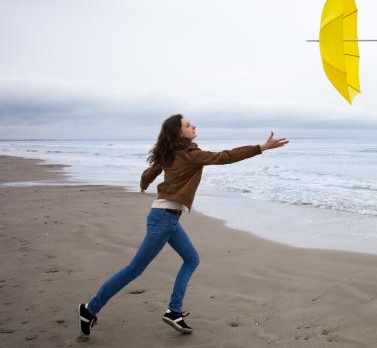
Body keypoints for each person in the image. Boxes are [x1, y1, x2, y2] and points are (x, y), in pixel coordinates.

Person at [78, 114, 288, 338]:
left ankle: (174, 311)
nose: (194, 126)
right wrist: (260, 147)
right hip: (163, 219)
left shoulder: (172, 152)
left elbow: (153, 170)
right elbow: (225, 157)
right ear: (178, 133)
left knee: (191, 258)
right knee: (134, 269)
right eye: (188, 125)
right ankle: (90, 309)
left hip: (165, 217)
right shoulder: (190, 155)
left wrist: (144, 183)